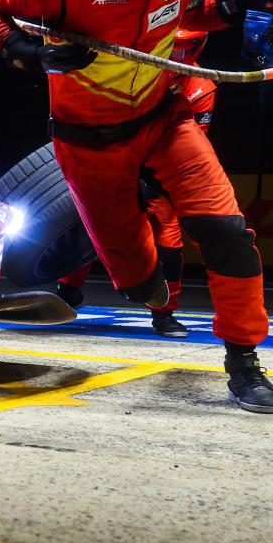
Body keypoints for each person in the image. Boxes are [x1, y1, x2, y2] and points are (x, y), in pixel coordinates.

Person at [0, 0, 273, 414]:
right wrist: (21, 50)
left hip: (165, 119)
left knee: (228, 231)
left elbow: (190, 13)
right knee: (138, 280)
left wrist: (228, 6)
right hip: (90, 147)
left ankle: (244, 361)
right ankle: (152, 296)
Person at [53, 25, 215, 339]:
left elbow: (192, 142)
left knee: (168, 237)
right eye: (173, 47)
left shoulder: (202, 88)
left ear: (199, 46)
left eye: (185, 49)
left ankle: (164, 312)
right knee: (95, 226)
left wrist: (152, 179)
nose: (176, 56)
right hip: (119, 159)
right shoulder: (133, 67)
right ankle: (67, 291)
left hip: (161, 170)